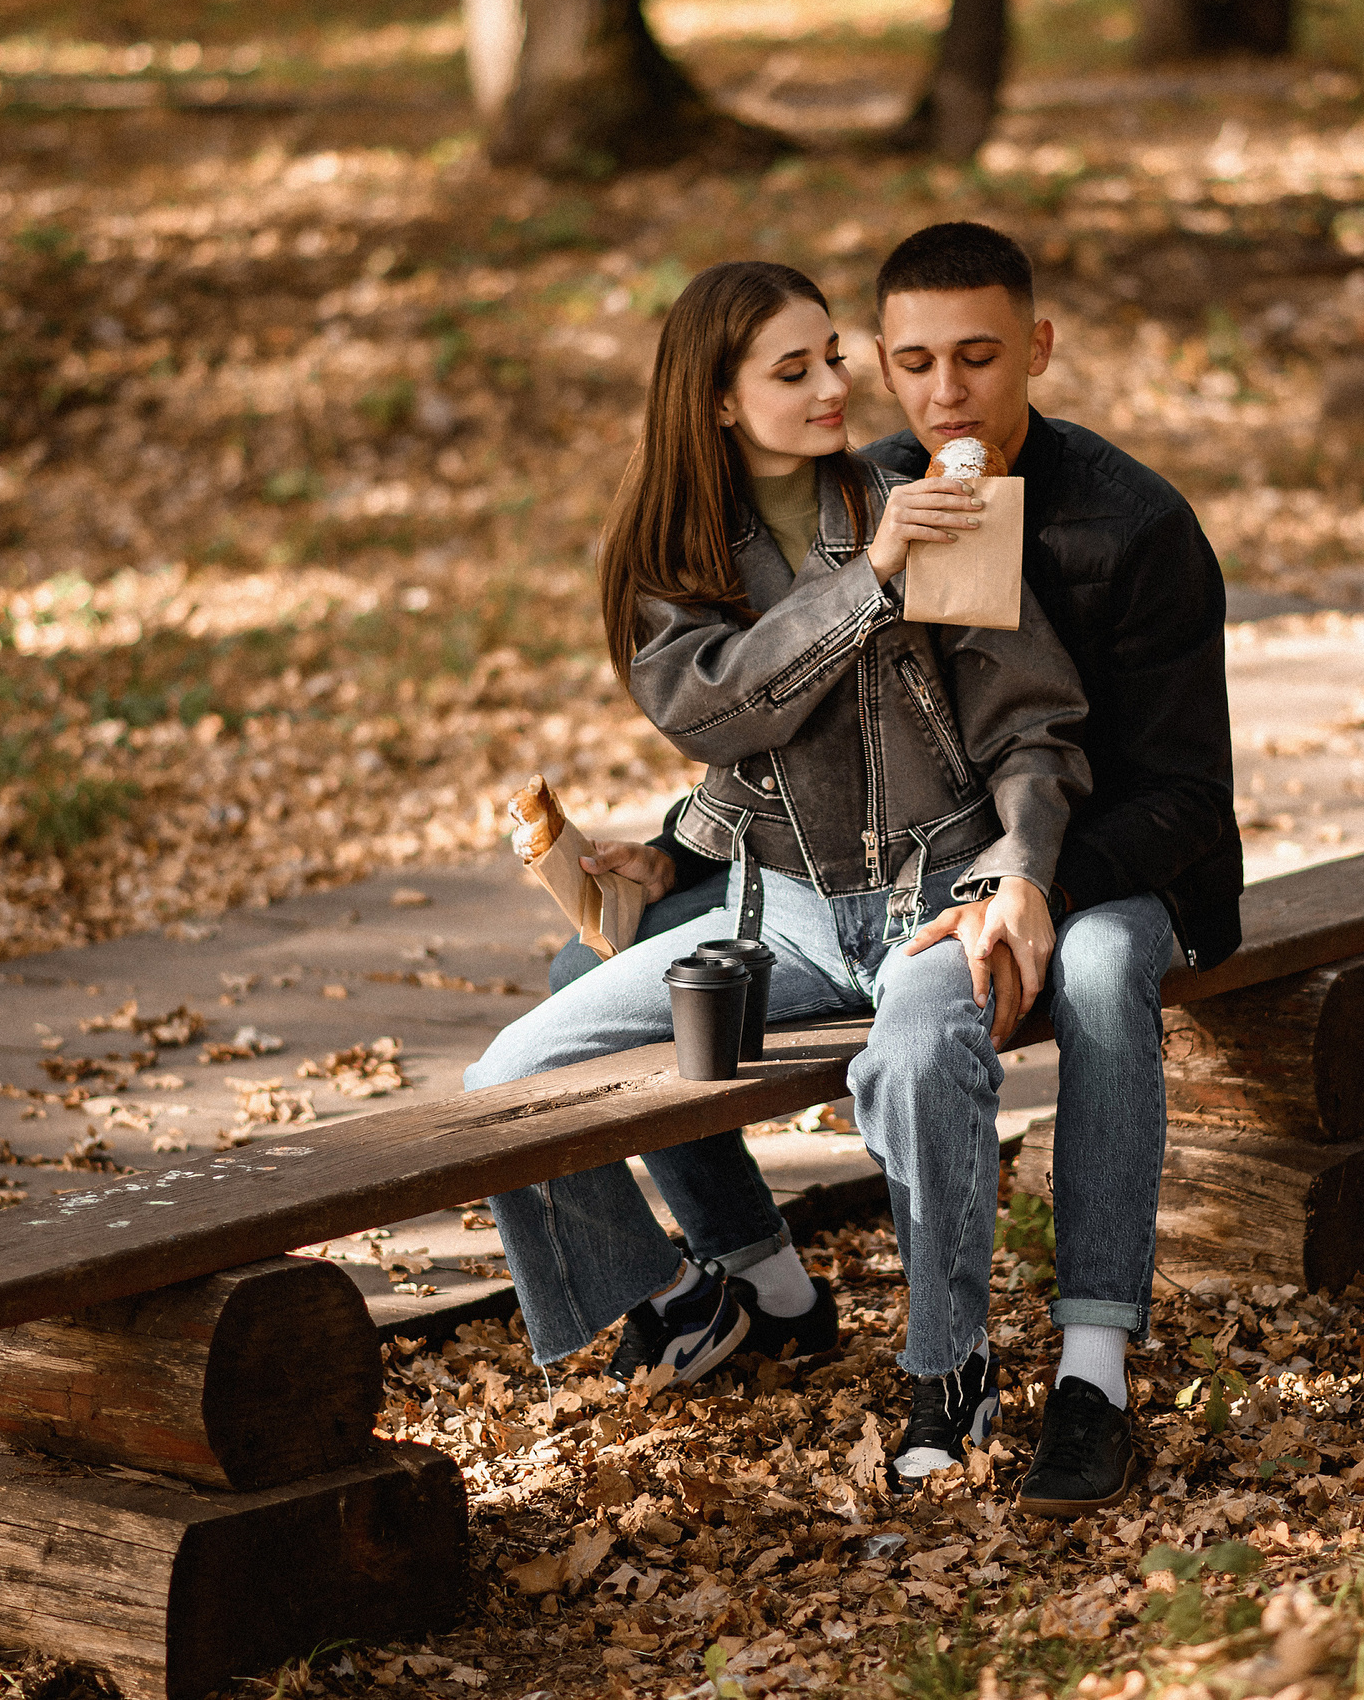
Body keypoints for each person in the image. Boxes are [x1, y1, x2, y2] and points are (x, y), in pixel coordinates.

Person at [556, 223, 1243, 1521]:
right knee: (556, 997)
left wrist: (1022, 877)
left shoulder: (1133, 524)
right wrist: (677, 840)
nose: (941, 396)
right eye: (908, 362)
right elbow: (774, 719)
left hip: (1125, 858)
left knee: (1090, 976)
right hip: (916, 883)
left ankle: (1087, 1363)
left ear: (1035, 349)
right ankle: (747, 1284)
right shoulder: (883, 493)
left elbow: (1178, 795)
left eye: (977, 359)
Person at [461, 259, 1093, 1492]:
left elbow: (1028, 725)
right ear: (713, 399)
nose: (831, 388)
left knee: (914, 1060)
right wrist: (867, 587)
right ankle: (718, 1291)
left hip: (938, 902)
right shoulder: (669, 556)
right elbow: (723, 713)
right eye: (790, 370)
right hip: (784, 925)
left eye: (832, 359)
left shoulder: (924, 494)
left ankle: (950, 1375)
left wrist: (1018, 868)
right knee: (511, 1077)